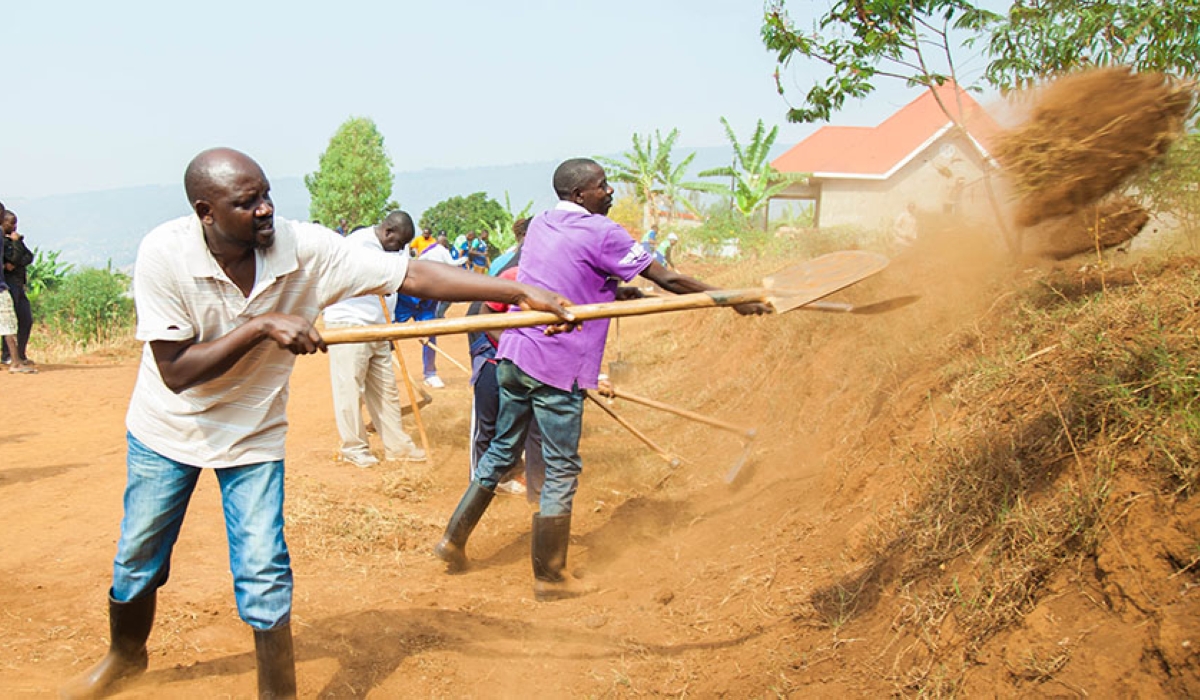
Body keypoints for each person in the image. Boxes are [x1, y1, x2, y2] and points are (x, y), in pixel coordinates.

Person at [60, 147, 575, 700]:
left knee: (263, 568)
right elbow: (177, 371)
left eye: (266, 194)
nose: (265, 210)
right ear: (205, 211)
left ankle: (277, 694)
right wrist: (262, 327)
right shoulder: (164, 254)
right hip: (168, 427)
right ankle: (125, 655)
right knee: (138, 555)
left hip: (252, 431)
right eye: (246, 202)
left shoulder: (304, 249)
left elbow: (414, 274)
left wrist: (517, 290)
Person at [433, 157, 768, 601]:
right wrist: (731, 299)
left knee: (500, 451)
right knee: (560, 467)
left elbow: (563, 274)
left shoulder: (542, 224)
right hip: (556, 365)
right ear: (579, 195)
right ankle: (550, 577)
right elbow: (667, 277)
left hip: (513, 354)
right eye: (602, 186)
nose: (610, 192)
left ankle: (452, 540)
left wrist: (611, 290)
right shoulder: (602, 232)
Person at [323, 212, 428, 468]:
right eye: (399, 243)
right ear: (388, 231)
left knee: (386, 390)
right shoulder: (358, 245)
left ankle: (398, 446)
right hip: (350, 325)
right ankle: (354, 448)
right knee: (350, 390)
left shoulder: (391, 250)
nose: (402, 249)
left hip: (379, 327)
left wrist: (389, 328)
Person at [2, 209, 34, 366]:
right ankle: (8, 356)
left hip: (19, 285)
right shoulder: (5, 241)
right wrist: (16, 244)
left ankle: (20, 354)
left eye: (16, 223)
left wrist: (15, 261)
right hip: (9, 285)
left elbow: (28, 256)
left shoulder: (15, 240)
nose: (14, 226)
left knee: (26, 319)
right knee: (10, 322)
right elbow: (11, 258)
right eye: (11, 223)